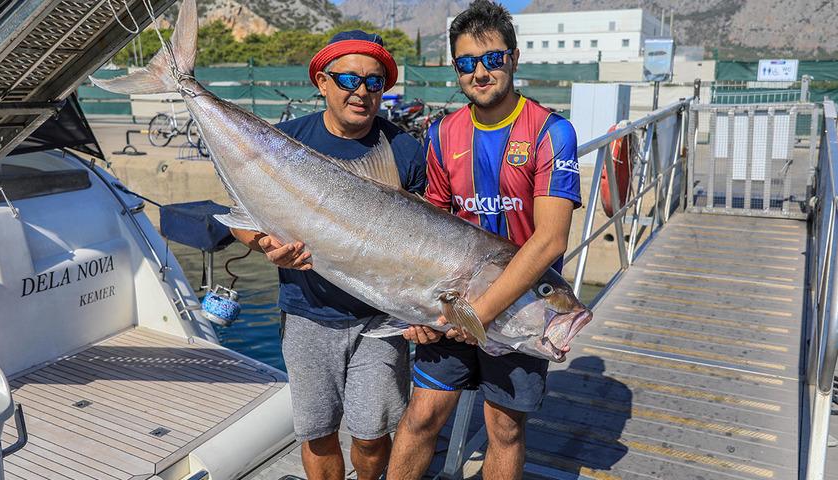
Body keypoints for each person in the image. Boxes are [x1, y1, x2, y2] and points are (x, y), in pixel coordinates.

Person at [388, 1, 581, 478]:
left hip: (518, 305)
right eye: (466, 63)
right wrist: (416, 307)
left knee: (505, 429)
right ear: (455, 69)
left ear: (513, 58)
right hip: (453, 301)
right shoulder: (440, 133)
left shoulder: (552, 132)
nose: (480, 72)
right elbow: (429, 226)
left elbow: (551, 240)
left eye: (492, 58)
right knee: (421, 417)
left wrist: (480, 314)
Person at [230, 30, 426, 480]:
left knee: (373, 434)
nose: (361, 92)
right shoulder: (282, 144)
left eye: (375, 82)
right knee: (317, 432)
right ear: (321, 81)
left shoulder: (405, 150)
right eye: (347, 79)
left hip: (380, 319)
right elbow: (239, 213)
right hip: (307, 313)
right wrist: (264, 246)